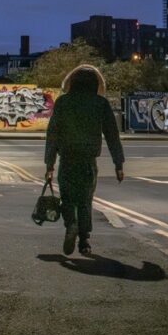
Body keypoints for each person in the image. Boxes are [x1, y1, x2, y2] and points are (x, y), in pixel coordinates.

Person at [44, 65, 124, 256]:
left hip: (67, 158)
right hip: (88, 160)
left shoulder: (63, 102)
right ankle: (84, 240)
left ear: (72, 83)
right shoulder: (100, 104)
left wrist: (50, 164)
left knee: (68, 198)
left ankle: (71, 224)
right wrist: (118, 164)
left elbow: (53, 134)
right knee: (85, 200)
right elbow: (112, 135)